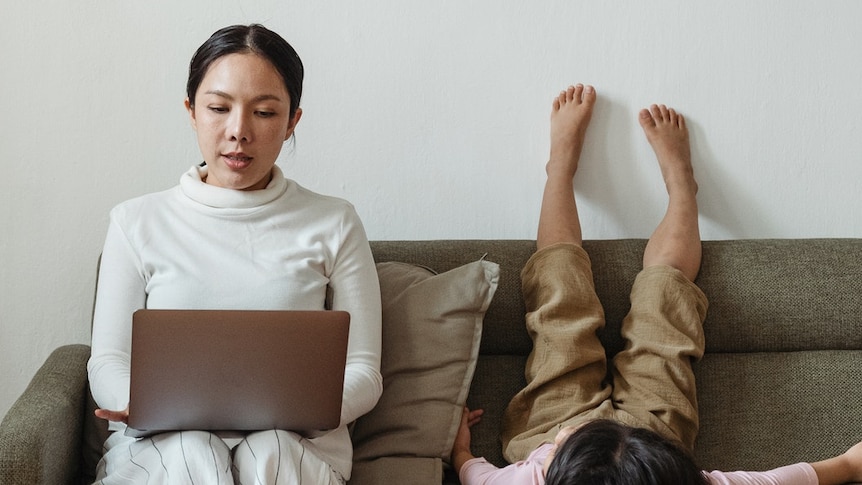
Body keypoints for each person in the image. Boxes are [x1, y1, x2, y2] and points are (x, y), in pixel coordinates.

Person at [451, 84, 862, 484]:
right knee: (666, 305)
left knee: (559, 303)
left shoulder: (533, 475)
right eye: (567, 441)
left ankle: (559, 168)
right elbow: (771, 480)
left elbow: (479, 477)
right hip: (653, 439)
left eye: (565, 445)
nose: (569, 435)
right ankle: (682, 184)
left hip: (553, 429)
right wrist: (846, 466)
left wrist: (461, 453)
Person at [87, 24, 382, 484]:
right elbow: (107, 359)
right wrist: (141, 403)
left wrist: (303, 411)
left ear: (292, 122)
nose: (238, 132)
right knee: (191, 453)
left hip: (295, 445)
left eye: (264, 112)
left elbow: (364, 369)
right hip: (164, 447)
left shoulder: (335, 222)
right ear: (191, 111)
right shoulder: (134, 222)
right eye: (219, 108)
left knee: (272, 451)